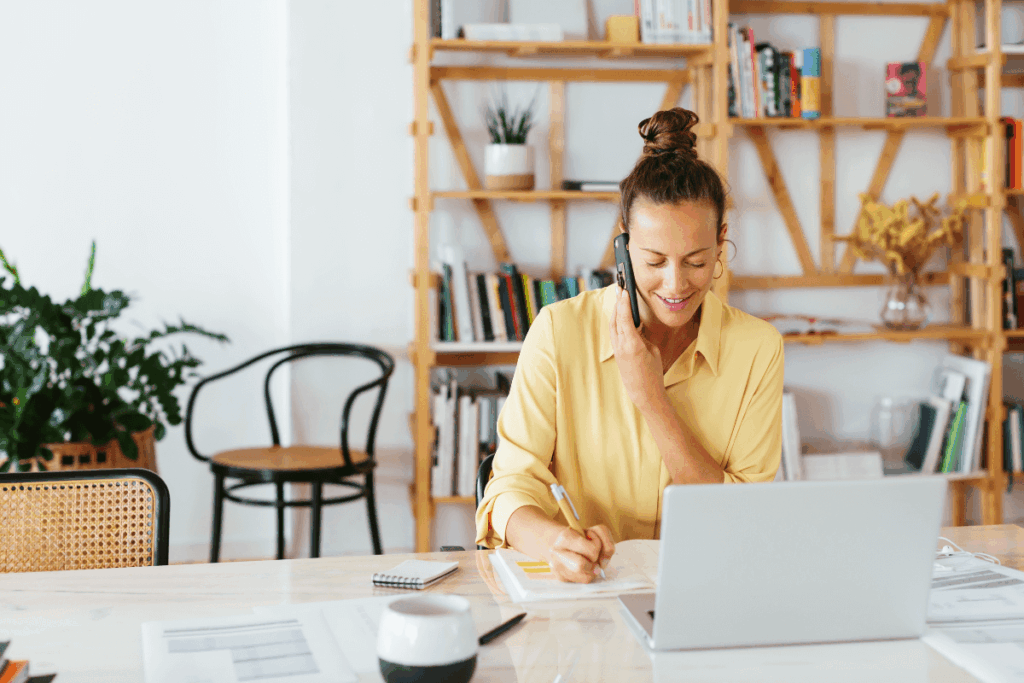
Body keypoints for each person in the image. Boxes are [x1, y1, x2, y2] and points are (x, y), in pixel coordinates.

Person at [474, 107, 784, 583]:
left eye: (697, 261)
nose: (675, 284)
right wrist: (553, 543)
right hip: (585, 598)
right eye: (654, 260)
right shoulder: (560, 331)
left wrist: (650, 397)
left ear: (722, 243)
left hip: (705, 589)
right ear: (623, 246)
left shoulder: (758, 349)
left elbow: (741, 519)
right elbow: (509, 487)